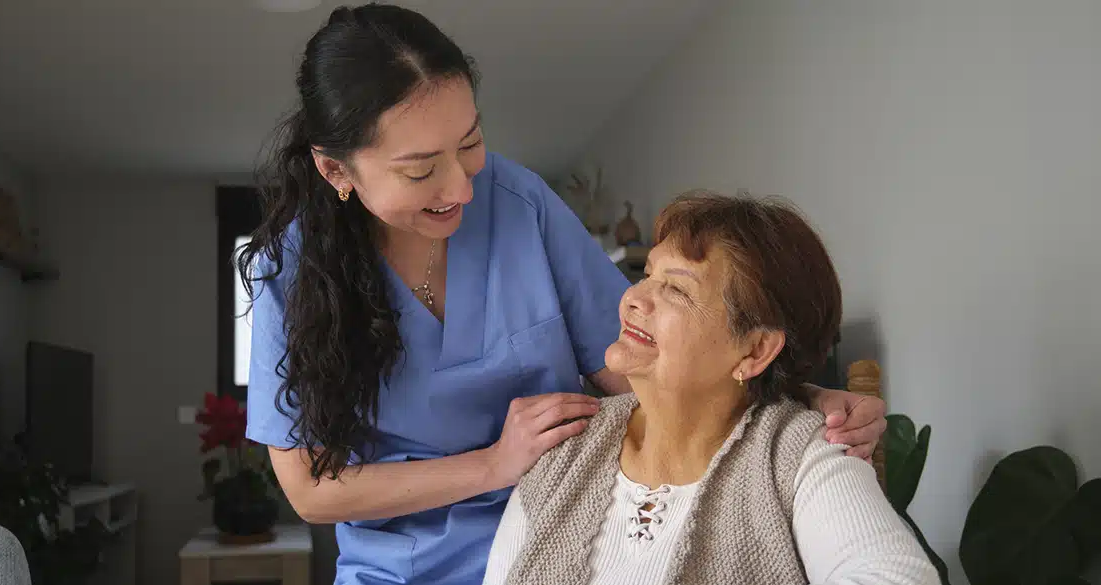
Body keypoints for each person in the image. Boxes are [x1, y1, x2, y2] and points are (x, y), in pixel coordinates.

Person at [239, 5, 887, 585]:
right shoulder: (286, 274)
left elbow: (631, 363)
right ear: (336, 171)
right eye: (419, 169)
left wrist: (794, 399)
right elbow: (313, 491)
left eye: (469, 143)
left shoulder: (518, 203)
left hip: (568, 540)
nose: (462, 188)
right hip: (403, 570)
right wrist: (493, 464)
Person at [481, 193, 936, 585]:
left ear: (755, 351)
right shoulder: (564, 449)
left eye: (676, 290)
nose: (634, 298)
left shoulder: (798, 456)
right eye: (648, 276)